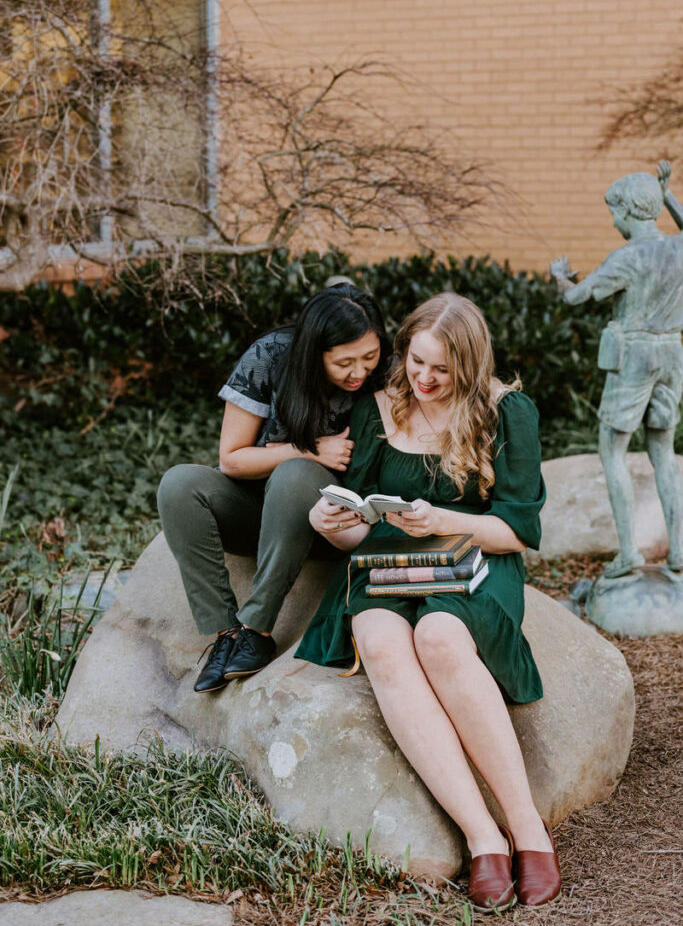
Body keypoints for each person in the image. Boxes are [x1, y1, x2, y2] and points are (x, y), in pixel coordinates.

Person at [296, 293, 561, 911]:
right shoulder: (378, 410)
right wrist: (331, 523)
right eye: (416, 361)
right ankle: (483, 837)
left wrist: (442, 518)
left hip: (474, 562)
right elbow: (361, 519)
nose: (424, 379)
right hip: (386, 563)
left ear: (469, 366)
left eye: (442, 370)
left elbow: (517, 530)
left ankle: (527, 830)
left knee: (440, 638)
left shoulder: (507, 413)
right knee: (385, 643)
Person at [157, 283, 391, 693]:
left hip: (333, 526)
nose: (359, 372)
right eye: (344, 362)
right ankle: (227, 633)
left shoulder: (389, 371)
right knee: (179, 484)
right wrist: (309, 448)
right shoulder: (270, 357)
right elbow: (232, 458)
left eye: (369, 357)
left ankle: (258, 628)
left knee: (296, 474)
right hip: (260, 515)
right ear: (314, 352)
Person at [551, 163, 683, 578]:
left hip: (635, 357)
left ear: (627, 210)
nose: (613, 221)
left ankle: (629, 552)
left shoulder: (626, 257)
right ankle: (679, 551)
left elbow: (576, 298)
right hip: (672, 354)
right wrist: (669, 197)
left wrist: (560, 278)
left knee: (613, 451)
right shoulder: (678, 248)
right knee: (664, 454)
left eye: (614, 212)